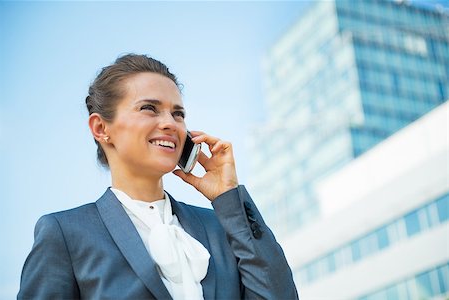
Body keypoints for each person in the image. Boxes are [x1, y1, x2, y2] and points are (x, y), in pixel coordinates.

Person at [18, 54, 299, 299]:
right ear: (101, 128)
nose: (169, 123)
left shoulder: (220, 227)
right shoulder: (66, 233)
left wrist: (228, 195)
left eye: (178, 114)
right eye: (149, 108)